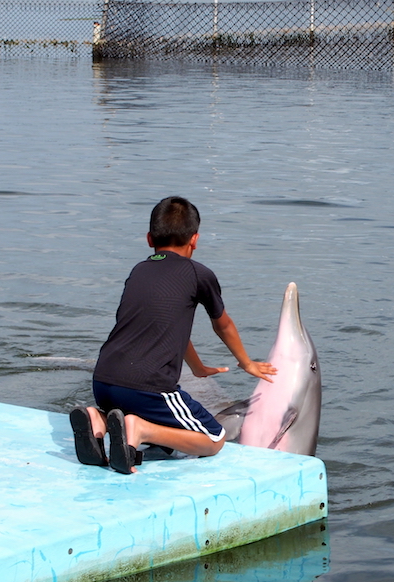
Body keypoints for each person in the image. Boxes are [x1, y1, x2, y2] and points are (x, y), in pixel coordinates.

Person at [69, 196, 276, 474]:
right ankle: (140, 430)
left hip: (103, 382)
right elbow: (223, 325)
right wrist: (247, 363)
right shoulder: (198, 274)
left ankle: (98, 420)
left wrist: (197, 367)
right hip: (148, 387)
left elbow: (165, 328)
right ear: (195, 239)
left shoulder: (139, 270)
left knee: (134, 410)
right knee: (213, 439)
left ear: (149, 238)